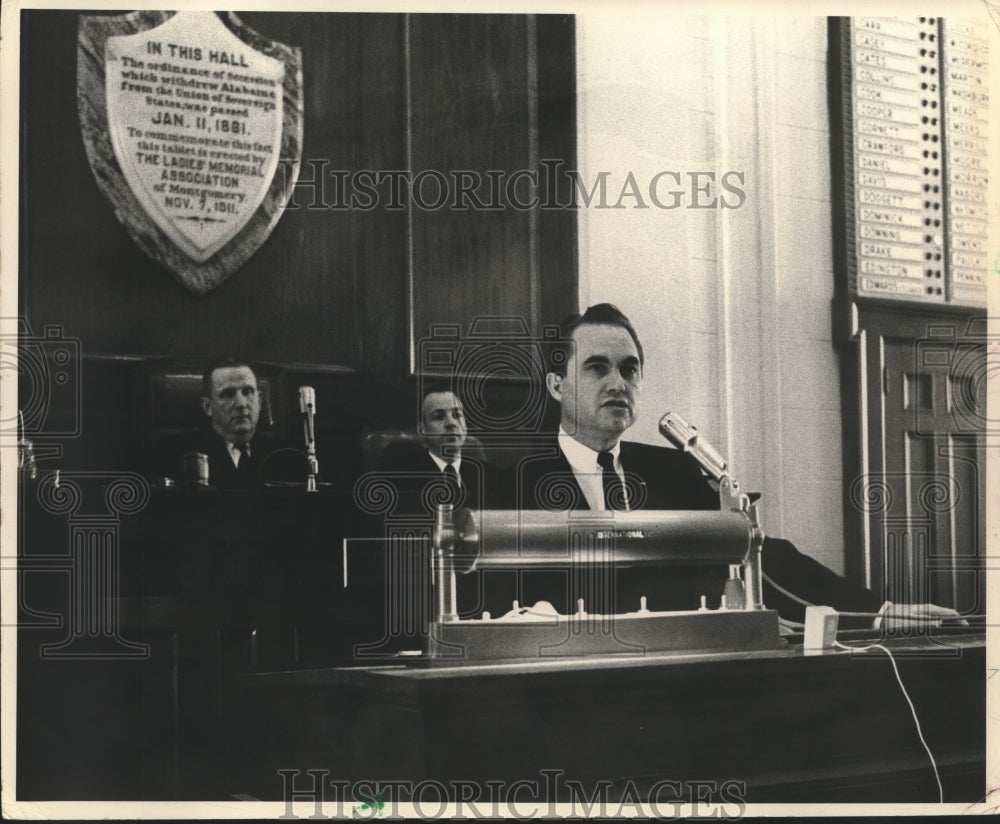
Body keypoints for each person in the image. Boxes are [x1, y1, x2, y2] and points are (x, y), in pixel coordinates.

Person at [509, 303, 962, 629]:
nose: (618, 384)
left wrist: (878, 612)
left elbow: (760, 555)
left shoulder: (673, 470)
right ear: (556, 385)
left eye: (630, 370)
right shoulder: (509, 482)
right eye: (596, 369)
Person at [154, 358, 299, 490]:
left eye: (248, 392)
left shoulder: (287, 456)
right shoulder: (174, 454)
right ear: (207, 406)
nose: (241, 404)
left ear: (259, 401)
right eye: (228, 394)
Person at [379, 384, 484, 512]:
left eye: (457, 415)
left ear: (466, 427)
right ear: (422, 430)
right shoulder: (401, 478)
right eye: (439, 417)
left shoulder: (486, 476)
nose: (451, 423)